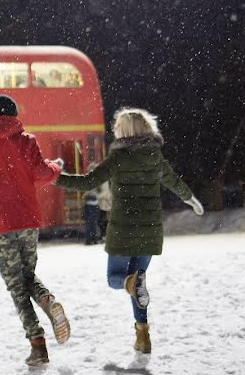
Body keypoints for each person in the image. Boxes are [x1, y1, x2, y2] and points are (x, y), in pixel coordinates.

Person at [55, 108, 204, 354]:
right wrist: (190, 199)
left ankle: (131, 284)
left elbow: (87, 182)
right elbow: (174, 181)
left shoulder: (118, 158)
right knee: (139, 284)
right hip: (150, 229)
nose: (114, 131)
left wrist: (55, 177)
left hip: (124, 227)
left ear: (125, 130)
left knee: (116, 278)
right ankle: (143, 336)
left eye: (117, 127)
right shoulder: (155, 156)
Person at [0, 94, 71, 366]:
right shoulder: (26, 141)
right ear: (15, 114)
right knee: (27, 275)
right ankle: (46, 300)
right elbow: (42, 173)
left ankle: (38, 345)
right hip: (27, 219)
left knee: (16, 285)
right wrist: (57, 167)